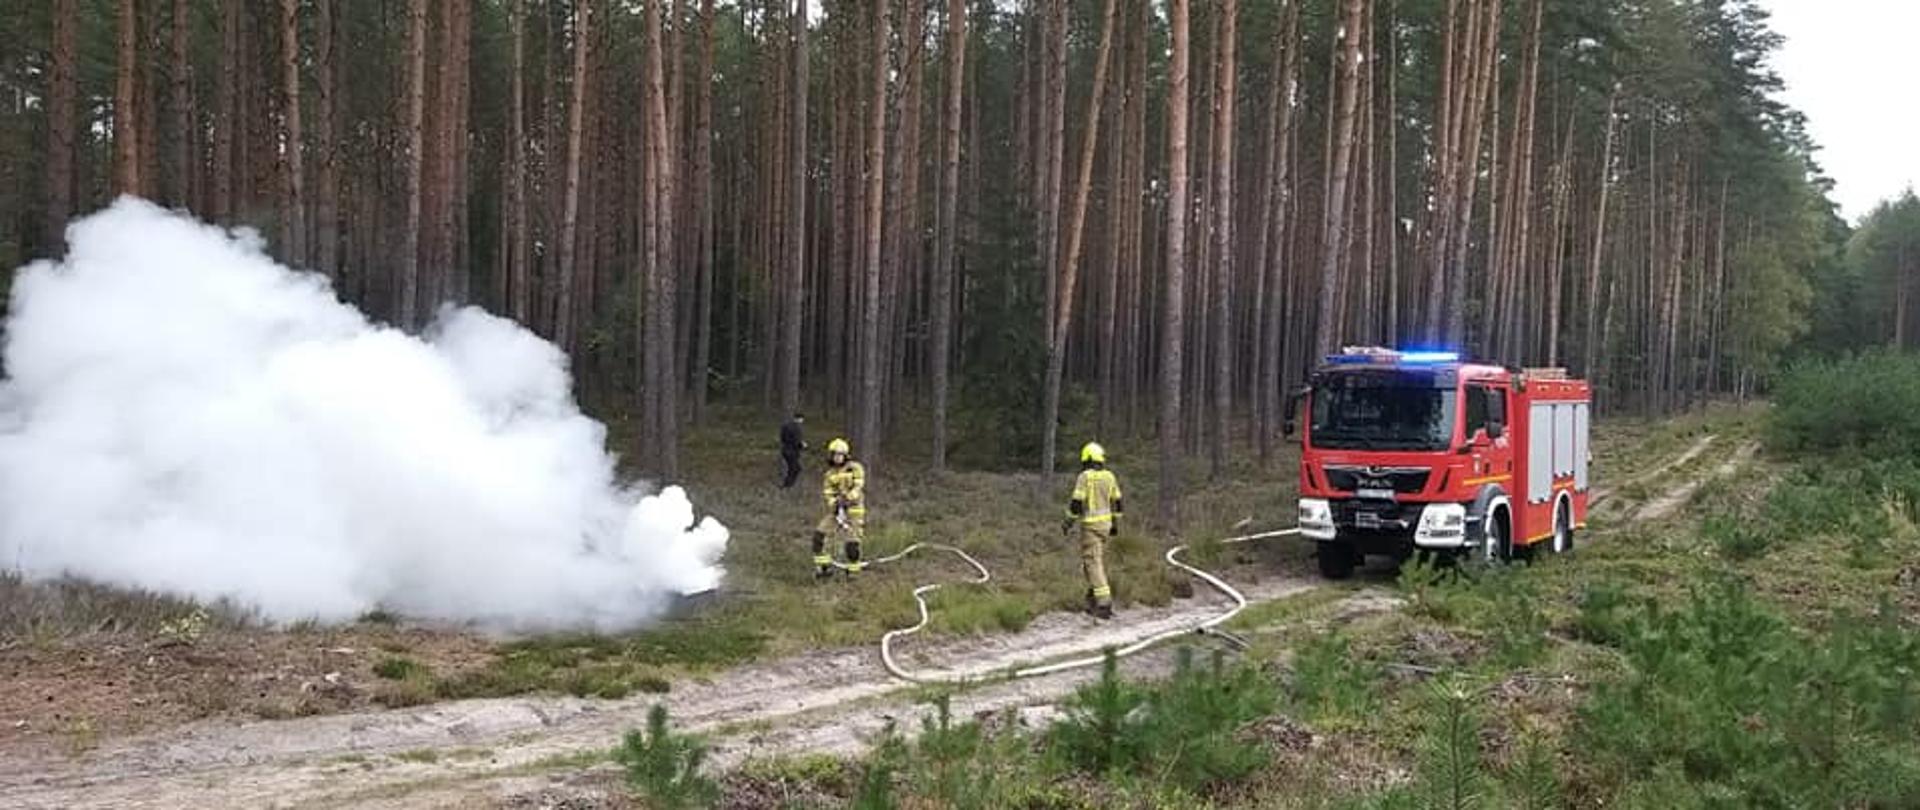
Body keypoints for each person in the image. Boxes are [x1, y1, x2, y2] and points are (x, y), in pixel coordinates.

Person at [1063, 442, 1122, 619]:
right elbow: (1118, 502)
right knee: (1093, 561)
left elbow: (1077, 503)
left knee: (1092, 563)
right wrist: (1115, 523)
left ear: (1087, 459)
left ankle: (1103, 603)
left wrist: (1068, 522)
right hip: (1106, 526)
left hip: (1091, 527)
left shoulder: (1085, 477)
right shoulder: (1109, 477)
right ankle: (1092, 596)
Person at [812, 438, 866, 578]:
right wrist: (834, 504)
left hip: (854, 510)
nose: (837, 458)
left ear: (845, 455)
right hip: (837, 512)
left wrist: (848, 498)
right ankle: (824, 568)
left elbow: (858, 486)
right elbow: (828, 492)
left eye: (840, 454)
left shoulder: (855, 468)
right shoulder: (830, 474)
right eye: (834, 454)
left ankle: (853, 572)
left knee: (852, 543)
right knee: (819, 536)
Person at [779, 412, 808, 488]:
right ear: (800, 419)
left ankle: (788, 484)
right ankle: (787, 485)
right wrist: (803, 445)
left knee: (792, 468)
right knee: (795, 468)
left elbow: (782, 438)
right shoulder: (796, 428)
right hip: (792, 451)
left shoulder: (785, 426)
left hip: (785, 450)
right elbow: (797, 441)